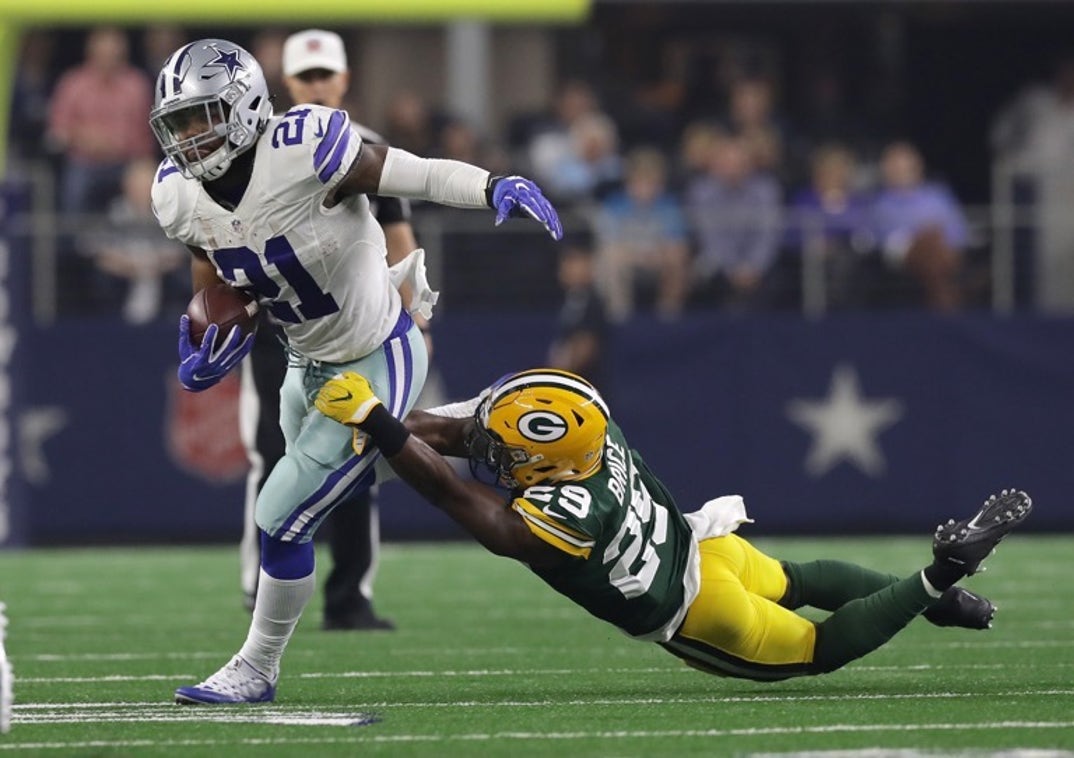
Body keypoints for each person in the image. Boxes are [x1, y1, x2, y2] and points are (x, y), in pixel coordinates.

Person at [149, 38, 562, 704]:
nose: (189, 139)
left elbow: (417, 174)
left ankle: (257, 668)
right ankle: (458, 427)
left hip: (377, 351)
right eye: (177, 125)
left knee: (281, 511)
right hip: (303, 362)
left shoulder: (306, 147)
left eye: (202, 118)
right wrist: (206, 339)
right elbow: (217, 270)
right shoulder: (176, 196)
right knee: (306, 498)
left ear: (246, 107)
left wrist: (492, 184)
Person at [314, 368, 1032, 682]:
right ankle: (948, 604)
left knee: (817, 649)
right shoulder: (591, 431)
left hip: (696, 610)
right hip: (707, 547)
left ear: (546, 458)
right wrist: (382, 422)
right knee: (800, 580)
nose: (494, 453)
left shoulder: (562, 514)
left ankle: (940, 579)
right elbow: (463, 435)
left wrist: (377, 422)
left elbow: (453, 496)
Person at [235, 28, 419, 631]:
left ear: (342, 80)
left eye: (324, 75)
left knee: (357, 450)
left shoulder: (365, 145)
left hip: (353, 327)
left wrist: (411, 312)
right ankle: (258, 583)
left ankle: (350, 594)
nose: (315, 85)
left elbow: (400, 241)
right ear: (288, 83)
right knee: (271, 450)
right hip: (278, 329)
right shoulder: (255, 149)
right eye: (305, 76)